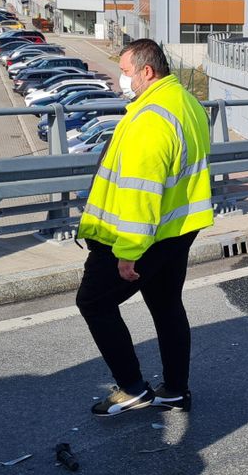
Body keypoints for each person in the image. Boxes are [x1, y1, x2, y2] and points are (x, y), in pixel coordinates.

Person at [76, 39, 214, 417]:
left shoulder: (150, 118)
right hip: (179, 227)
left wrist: (128, 253)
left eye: (125, 71)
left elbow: (142, 191)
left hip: (143, 235)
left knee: (93, 302)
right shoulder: (185, 102)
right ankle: (175, 390)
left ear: (147, 71)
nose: (122, 79)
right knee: (166, 305)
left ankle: (133, 387)